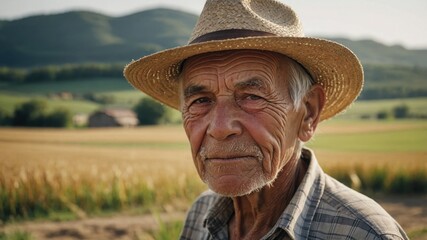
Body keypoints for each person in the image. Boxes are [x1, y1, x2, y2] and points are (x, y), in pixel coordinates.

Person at [124, 0, 408, 239]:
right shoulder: (200, 216)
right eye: (201, 101)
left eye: (251, 97)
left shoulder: (364, 233)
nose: (221, 128)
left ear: (308, 113)